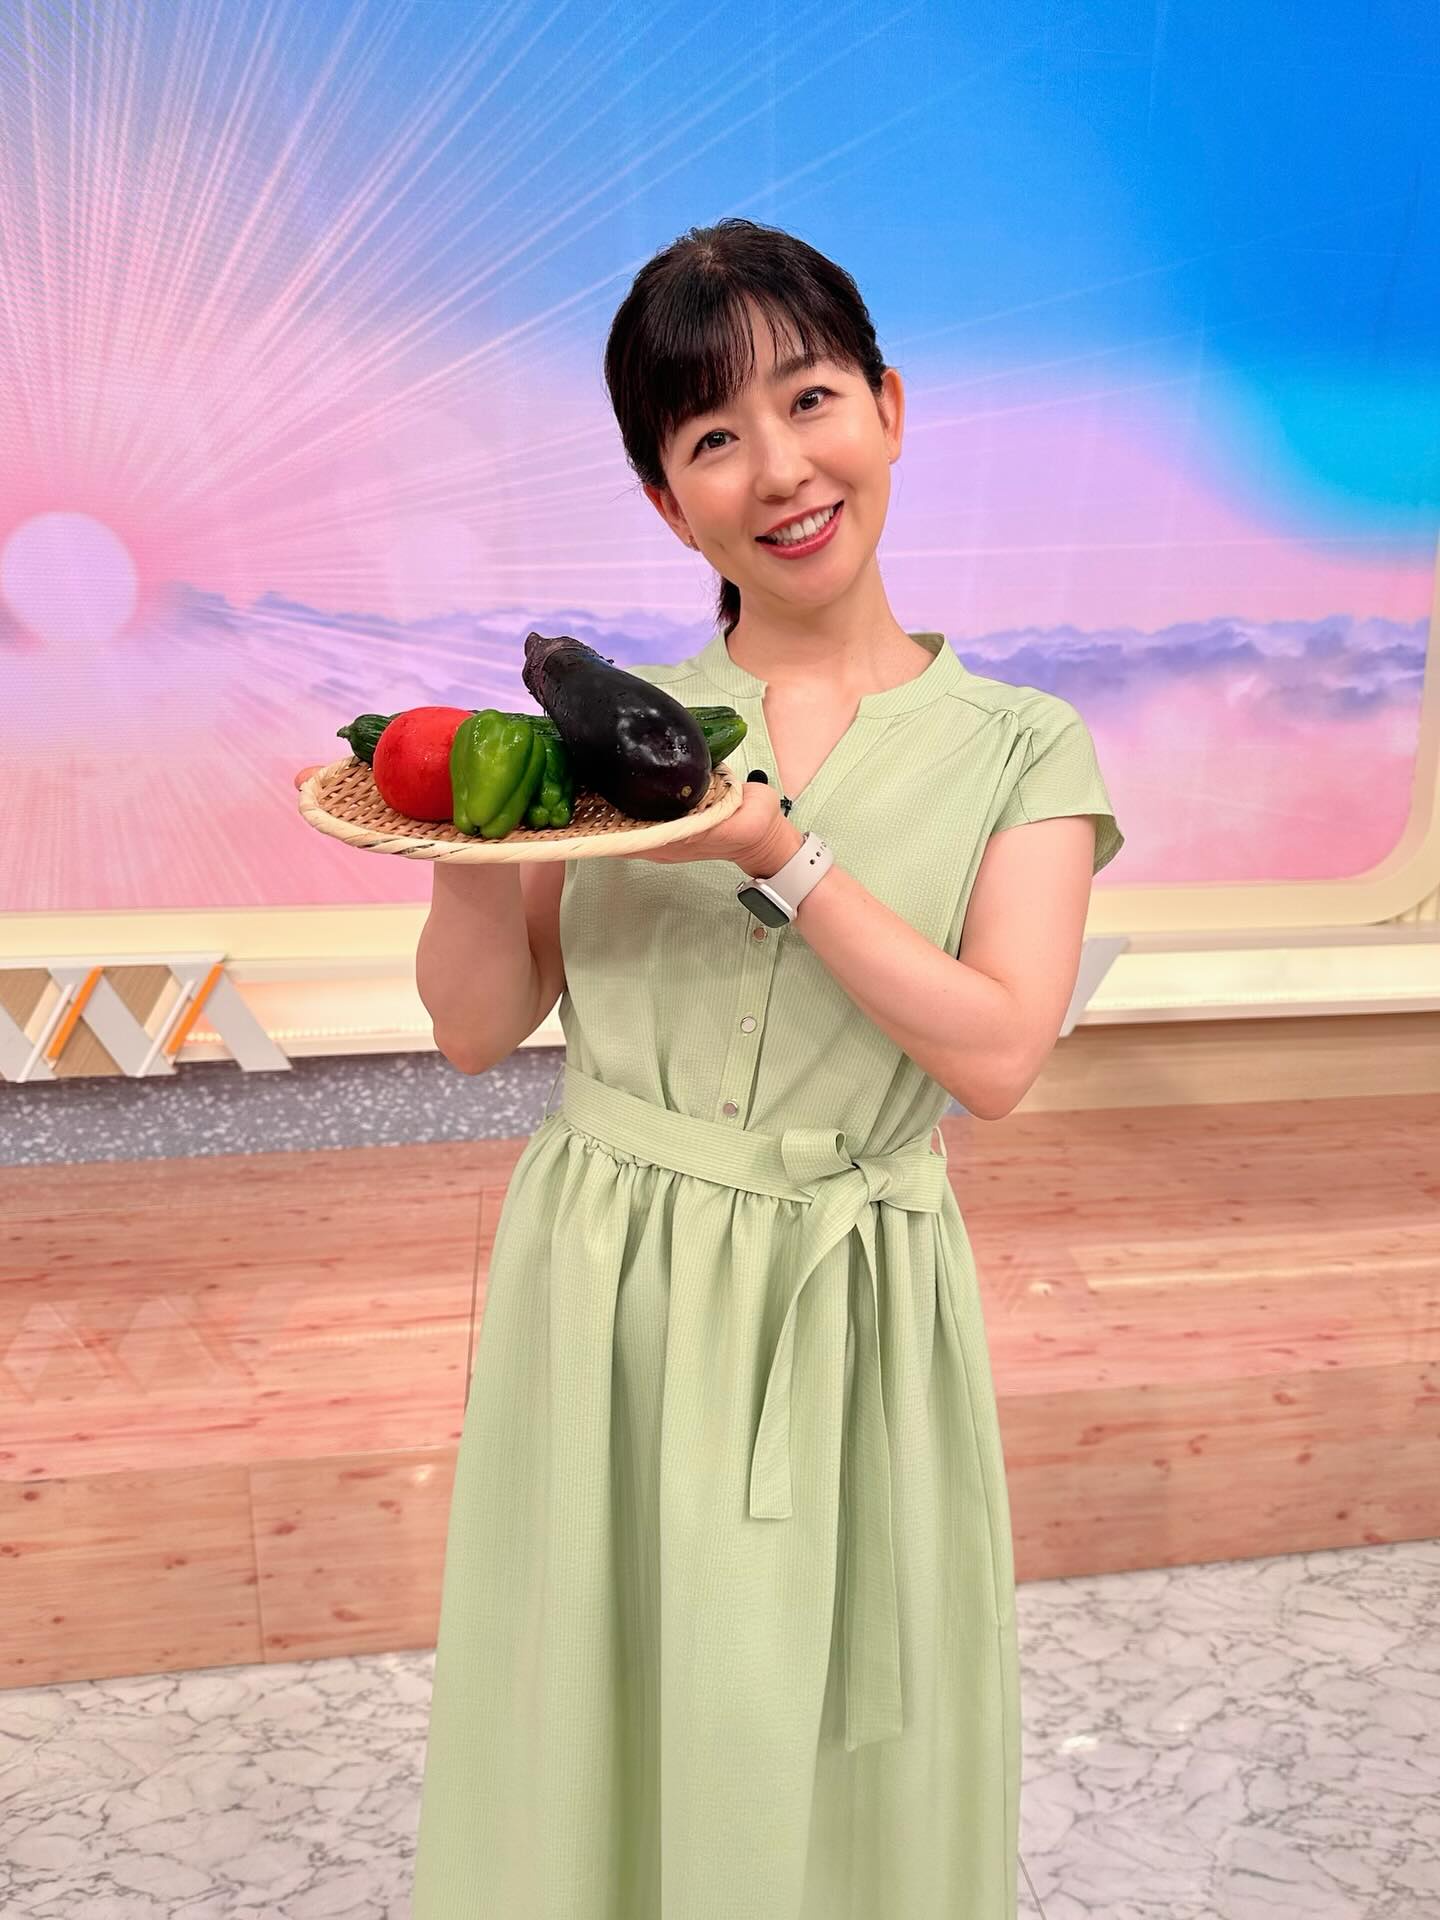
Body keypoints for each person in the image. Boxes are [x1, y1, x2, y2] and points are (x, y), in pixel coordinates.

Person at [302, 217, 1123, 1918]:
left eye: (810, 399)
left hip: (852, 1288)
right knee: (590, 1699)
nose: (781, 468)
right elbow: (474, 1030)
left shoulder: (1024, 745)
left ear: (890, 406)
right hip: (609, 1275)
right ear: (667, 501)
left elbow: (999, 1053)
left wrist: (779, 853)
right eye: (712, 436)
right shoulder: (609, 733)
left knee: (821, 1725)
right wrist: (466, 826)